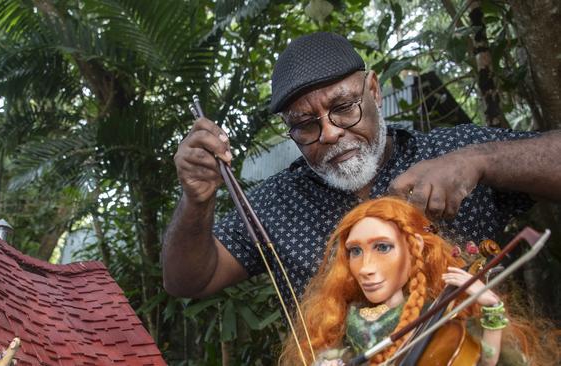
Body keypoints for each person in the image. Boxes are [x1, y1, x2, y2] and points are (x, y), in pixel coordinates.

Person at [162, 31, 561, 305]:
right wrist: (196, 201)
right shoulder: (274, 205)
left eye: (342, 107)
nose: (330, 133)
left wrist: (480, 160)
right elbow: (187, 281)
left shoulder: (451, 151)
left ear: (373, 90)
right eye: (305, 124)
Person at [279, 196, 557, 366]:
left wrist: (492, 307)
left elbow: (487, 360)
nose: (365, 267)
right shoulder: (344, 323)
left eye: (383, 247)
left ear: (415, 252)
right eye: (355, 251)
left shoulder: (441, 320)